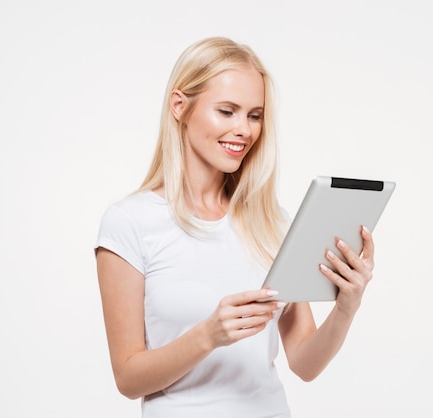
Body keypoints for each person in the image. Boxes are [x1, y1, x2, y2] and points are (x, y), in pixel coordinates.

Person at [95, 37, 376, 417]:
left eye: (254, 115)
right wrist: (208, 335)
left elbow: (305, 364)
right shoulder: (130, 222)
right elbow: (128, 378)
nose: (243, 129)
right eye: (227, 111)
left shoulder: (271, 223)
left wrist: (347, 306)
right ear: (180, 106)